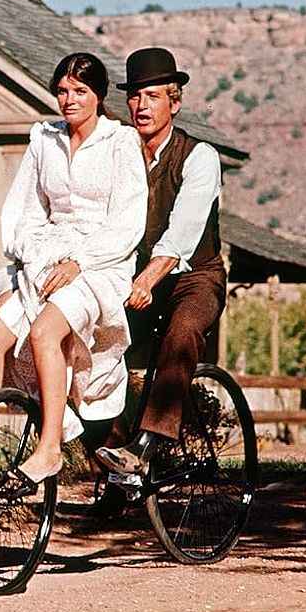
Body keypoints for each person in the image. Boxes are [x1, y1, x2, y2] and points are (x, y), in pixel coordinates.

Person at [0, 52, 147, 487]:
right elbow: (23, 210)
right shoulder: (44, 139)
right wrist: (34, 255)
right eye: (62, 91)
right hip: (44, 259)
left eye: (80, 91)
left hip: (100, 264)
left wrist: (79, 261)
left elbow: (127, 222)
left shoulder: (120, 142)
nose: (69, 99)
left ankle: (49, 451)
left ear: (98, 95)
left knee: (45, 331)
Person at [95, 47, 226, 475]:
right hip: (136, 277)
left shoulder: (199, 156)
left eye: (152, 97)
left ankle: (148, 442)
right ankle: (111, 459)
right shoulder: (121, 154)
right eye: (134, 97)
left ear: (175, 102)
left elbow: (181, 236)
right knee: (96, 341)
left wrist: (148, 280)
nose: (141, 106)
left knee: (182, 330)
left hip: (194, 277)